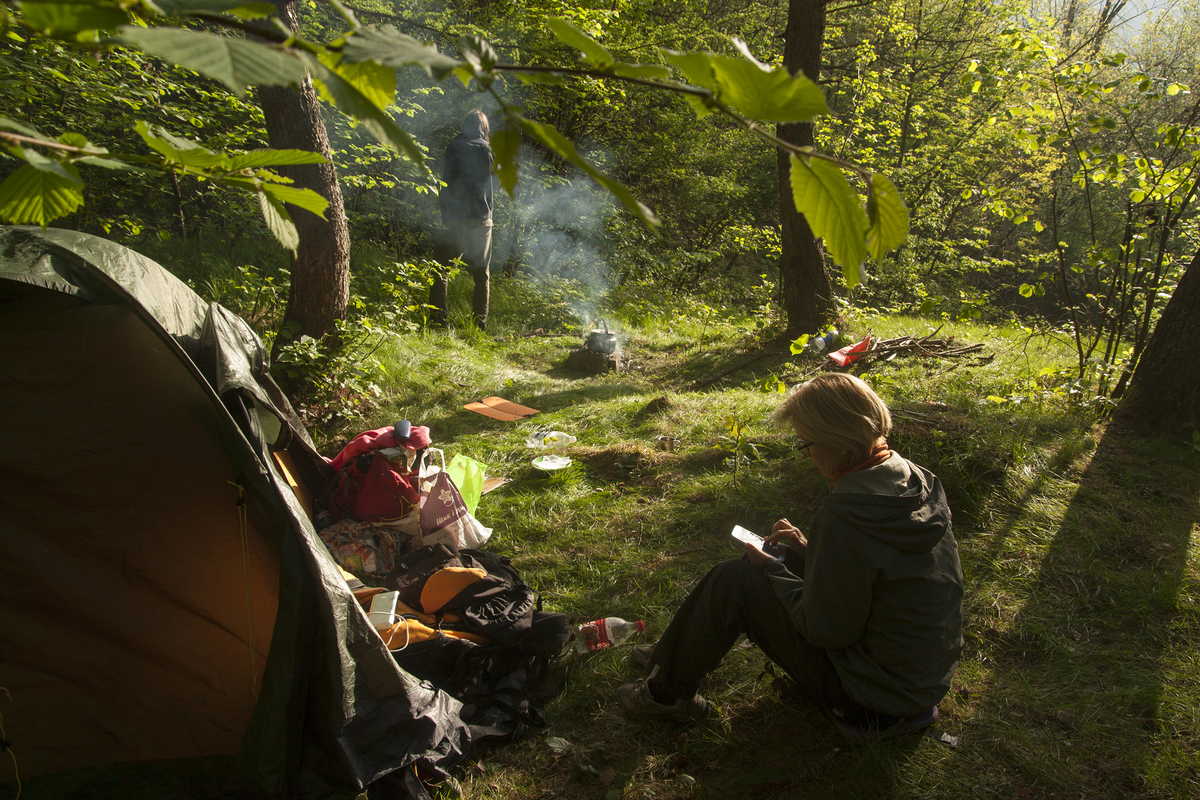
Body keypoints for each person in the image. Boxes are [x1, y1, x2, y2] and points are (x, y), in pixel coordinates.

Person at [616, 373, 964, 736]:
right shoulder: (917, 481)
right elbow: (879, 574)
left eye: (806, 443)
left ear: (840, 442)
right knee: (778, 557)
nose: (807, 454)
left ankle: (665, 694)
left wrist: (772, 571)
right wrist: (807, 549)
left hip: (870, 701)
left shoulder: (844, 515)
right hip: (919, 682)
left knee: (736, 579)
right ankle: (674, 653)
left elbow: (827, 631)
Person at [431, 109, 494, 330]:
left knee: (439, 270)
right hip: (481, 219)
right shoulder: (488, 150)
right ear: (483, 128)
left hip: (456, 219)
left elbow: (445, 183)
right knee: (481, 275)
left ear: (464, 126)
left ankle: (438, 321)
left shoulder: (454, 147)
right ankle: (479, 326)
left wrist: (446, 216)